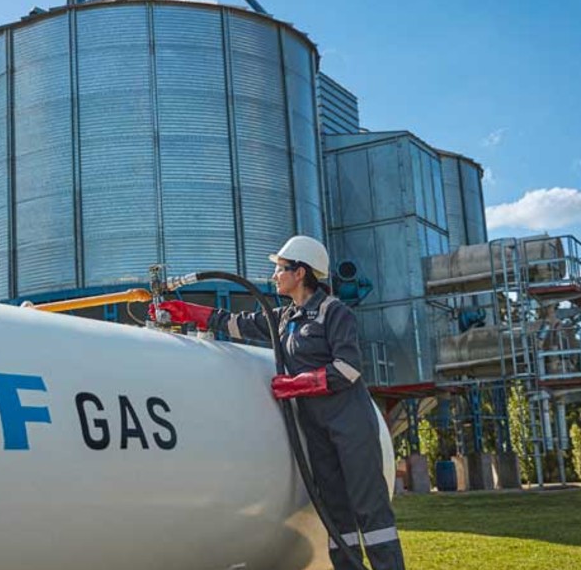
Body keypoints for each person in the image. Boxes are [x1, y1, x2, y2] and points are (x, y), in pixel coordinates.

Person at [150, 235, 406, 570]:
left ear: (300, 272)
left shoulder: (334, 312)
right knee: (334, 510)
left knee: (369, 508)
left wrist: (298, 384)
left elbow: (348, 368)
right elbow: (238, 324)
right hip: (316, 429)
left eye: (281, 268)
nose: (274, 275)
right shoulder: (286, 317)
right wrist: (189, 312)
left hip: (350, 424)